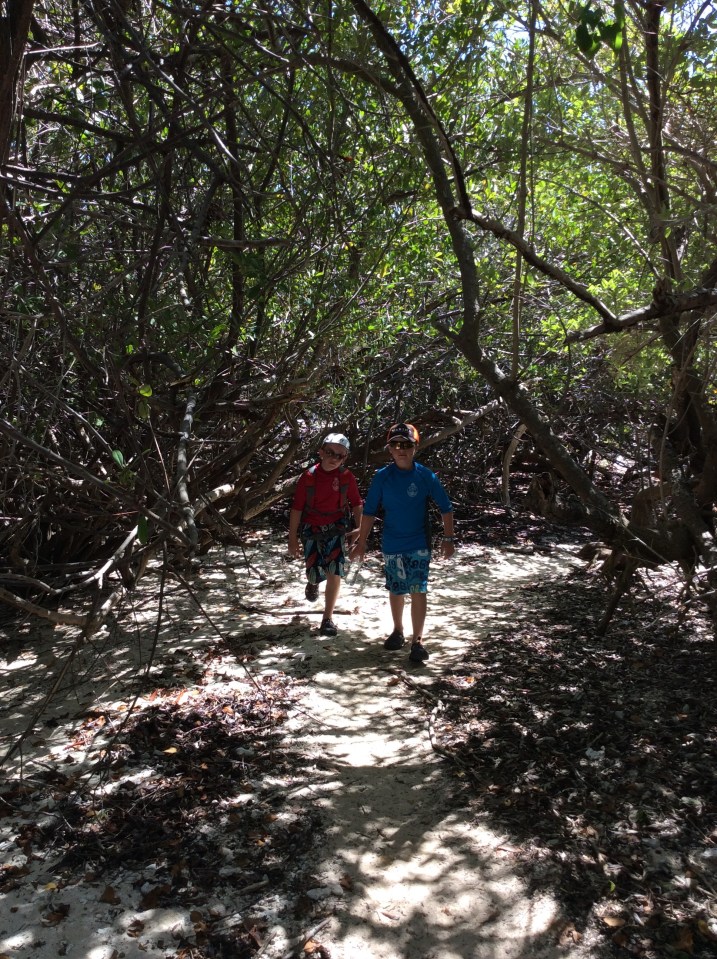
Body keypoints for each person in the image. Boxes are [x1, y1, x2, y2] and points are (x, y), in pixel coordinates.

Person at [350, 423, 455, 663]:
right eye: (396, 445)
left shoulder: (425, 475)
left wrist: (448, 538)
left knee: (418, 589)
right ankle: (398, 631)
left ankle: (418, 641)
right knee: (396, 588)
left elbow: (446, 507)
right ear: (389, 449)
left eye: (406, 445)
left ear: (415, 447)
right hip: (392, 543)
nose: (401, 449)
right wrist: (361, 542)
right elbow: (369, 511)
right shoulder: (382, 477)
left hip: (419, 542)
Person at [289, 433, 363, 636]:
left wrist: (360, 529)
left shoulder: (346, 477)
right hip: (311, 528)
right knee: (314, 573)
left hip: (336, 528)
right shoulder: (308, 476)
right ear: (321, 452)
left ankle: (327, 619)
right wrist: (292, 538)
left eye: (340, 455)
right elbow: (297, 508)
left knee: (334, 571)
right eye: (330, 452)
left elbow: (357, 503)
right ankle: (313, 582)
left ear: (345, 458)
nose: (334, 458)